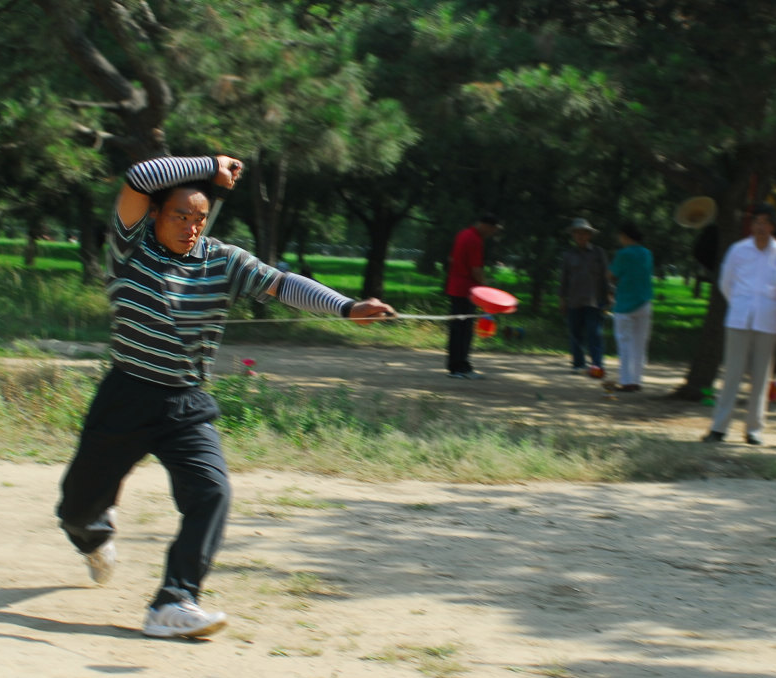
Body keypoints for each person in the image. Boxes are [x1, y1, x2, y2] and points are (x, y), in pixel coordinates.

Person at [55, 154, 393, 639]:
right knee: (76, 510)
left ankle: (174, 602)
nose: (191, 227)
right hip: (126, 395)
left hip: (184, 403)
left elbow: (282, 284)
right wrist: (210, 164)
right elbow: (139, 178)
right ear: (154, 214)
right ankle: (95, 534)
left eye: (199, 218)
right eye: (179, 215)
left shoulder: (222, 259)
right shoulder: (130, 249)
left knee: (211, 492)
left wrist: (346, 307)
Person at [703, 203, 776, 445]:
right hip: (739, 318)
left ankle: (754, 429)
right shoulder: (738, 250)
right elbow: (726, 282)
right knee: (732, 374)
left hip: (768, 321)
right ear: (751, 225)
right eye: (757, 222)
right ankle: (719, 428)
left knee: (761, 377)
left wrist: (771, 307)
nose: (761, 226)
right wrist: (740, 303)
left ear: (774, 226)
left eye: (766, 222)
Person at [444, 213, 501, 379]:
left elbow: (451, 258)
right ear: (486, 225)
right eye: (492, 230)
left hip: (455, 288)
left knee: (456, 329)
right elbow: (476, 270)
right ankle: (461, 367)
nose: (492, 233)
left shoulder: (462, 234)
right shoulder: (476, 240)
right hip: (467, 291)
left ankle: (455, 366)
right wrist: (486, 290)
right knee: (465, 330)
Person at [559, 218, 611, 377]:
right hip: (574, 300)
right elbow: (564, 279)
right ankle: (578, 364)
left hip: (594, 301)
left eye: (584, 233)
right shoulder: (568, 255)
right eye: (577, 233)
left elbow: (606, 276)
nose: (580, 236)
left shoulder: (598, 253)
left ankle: (597, 364)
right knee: (575, 333)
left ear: (589, 235)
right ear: (573, 235)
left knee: (594, 333)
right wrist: (562, 299)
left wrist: (609, 295)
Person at [609, 221, 654, 392]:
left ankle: (626, 381)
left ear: (624, 236)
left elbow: (612, 274)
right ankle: (637, 380)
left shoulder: (623, 254)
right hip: (644, 302)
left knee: (625, 343)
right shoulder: (647, 254)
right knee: (640, 343)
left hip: (625, 303)